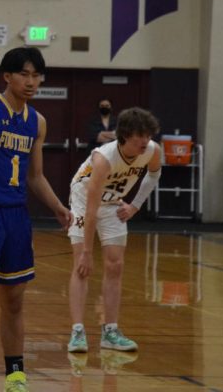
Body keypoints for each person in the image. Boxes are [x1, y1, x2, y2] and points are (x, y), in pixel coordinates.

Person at [0, 46, 72, 392]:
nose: (31, 81)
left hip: (17, 216)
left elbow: (35, 176)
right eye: (24, 74)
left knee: (15, 299)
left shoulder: (38, 122)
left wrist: (57, 207)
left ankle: (16, 374)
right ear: (7, 76)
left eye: (37, 75)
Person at [66, 107, 161, 355]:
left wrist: (135, 206)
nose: (145, 141)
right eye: (140, 136)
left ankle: (110, 331)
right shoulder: (103, 159)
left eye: (148, 135)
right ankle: (77, 331)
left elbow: (153, 176)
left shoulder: (152, 151)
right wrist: (87, 250)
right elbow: (90, 210)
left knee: (115, 265)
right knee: (82, 265)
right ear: (126, 135)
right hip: (83, 199)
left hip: (114, 202)